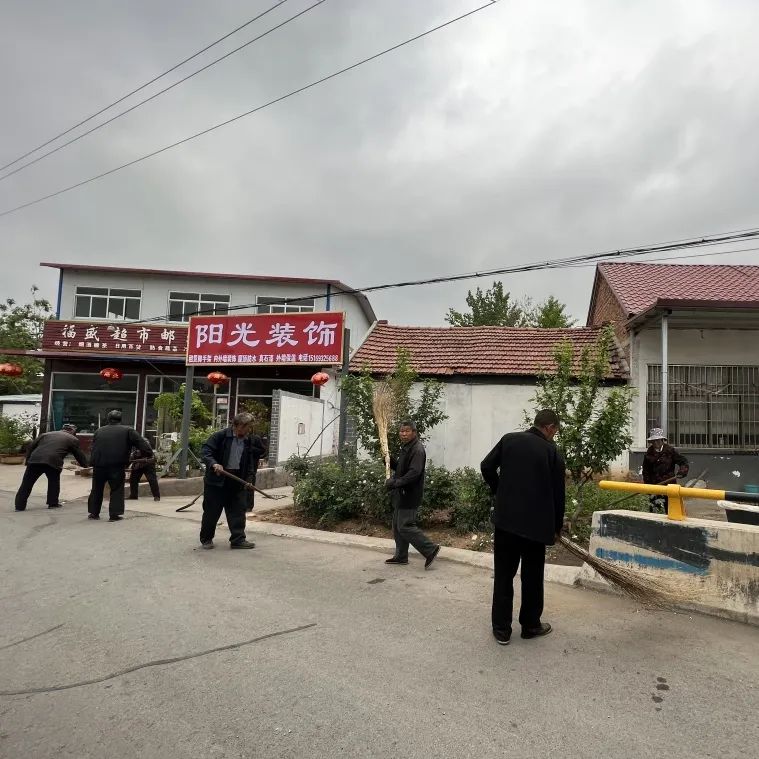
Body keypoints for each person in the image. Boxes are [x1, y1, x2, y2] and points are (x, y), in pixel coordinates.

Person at [480, 409, 565, 646]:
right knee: (532, 577)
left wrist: (499, 490)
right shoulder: (552, 453)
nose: (554, 435)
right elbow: (559, 496)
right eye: (555, 431)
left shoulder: (509, 440)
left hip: (506, 522)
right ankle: (530, 625)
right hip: (536, 527)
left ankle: (501, 630)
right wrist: (556, 527)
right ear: (550, 427)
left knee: (504, 575)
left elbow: (486, 466)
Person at [384, 420, 440, 569]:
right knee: (397, 526)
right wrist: (390, 461)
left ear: (414, 432)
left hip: (409, 494)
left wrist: (395, 483)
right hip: (401, 493)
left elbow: (414, 473)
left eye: (407, 431)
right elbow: (401, 469)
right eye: (401, 431)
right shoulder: (407, 448)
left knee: (405, 526)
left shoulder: (417, 450)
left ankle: (430, 549)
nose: (403, 434)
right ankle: (401, 556)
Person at [199, 412, 258, 549]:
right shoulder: (220, 436)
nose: (249, 430)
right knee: (211, 512)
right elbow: (206, 452)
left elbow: (250, 462)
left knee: (238, 511)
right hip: (217, 481)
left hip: (237, 480)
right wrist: (214, 464)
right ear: (238, 425)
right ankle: (206, 539)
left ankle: (238, 539)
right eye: (247, 427)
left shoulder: (248, 440)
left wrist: (249, 479)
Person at [88, 410, 152, 522]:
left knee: (96, 489)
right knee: (117, 489)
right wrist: (148, 454)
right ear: (120, 420)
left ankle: (94, 513)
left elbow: (93, 447)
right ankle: (114, 515)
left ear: (108, 419)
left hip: (99, 465)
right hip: (117, 465)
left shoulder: (99, 430)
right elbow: (143, 445)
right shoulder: (128, 430)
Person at [14, 424, 88, 511]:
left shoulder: (45, 434)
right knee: (53, 482)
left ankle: (19, 506)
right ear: (72, 431)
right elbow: (78, 454)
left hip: (35, 460)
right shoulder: (73, 439)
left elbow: (31, 447)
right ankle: (52, 503)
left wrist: (28, 461)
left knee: (26, 483)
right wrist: (85, 465)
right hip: (53, 462)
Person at [642, 428, 689, 513]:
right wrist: (648, 487)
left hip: (669, 485)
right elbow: (646, 472)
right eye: (653, 441)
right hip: (655, 486)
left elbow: (683, 462)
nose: (655, 443)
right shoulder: (648, 454)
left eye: (657, 440)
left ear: (662, 440)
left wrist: (682, 471)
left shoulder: (670, 451)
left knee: (671, 510)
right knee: (655, 511)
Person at [244, 432, 267, 512]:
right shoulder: (238, 438)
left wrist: (252, 449)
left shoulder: (255, 438)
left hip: (251, 468)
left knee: (250, 486)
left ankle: (249, 506)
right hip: (240, 468)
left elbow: (263, 451)